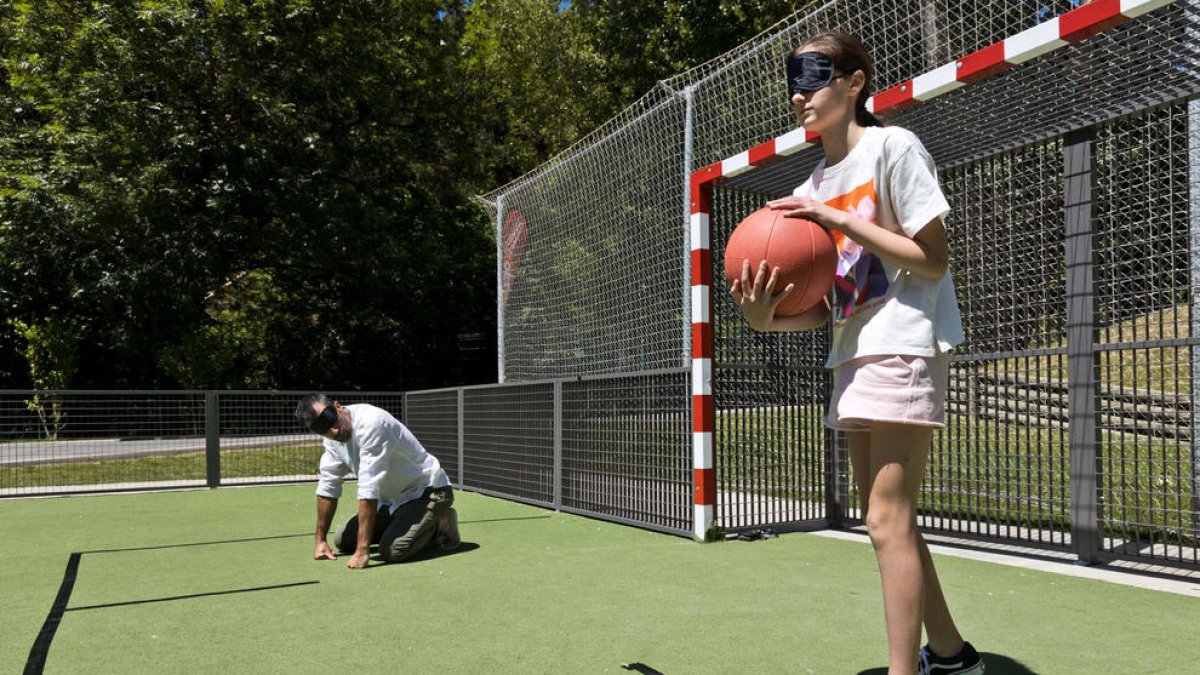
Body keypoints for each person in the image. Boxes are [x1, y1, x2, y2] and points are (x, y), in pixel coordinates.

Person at [730, 33, 983, 675]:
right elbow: (834, 304)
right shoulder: (814, 182)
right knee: (889, 522)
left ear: (855, 83)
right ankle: (952, 657)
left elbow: (933, 259)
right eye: (794, 82)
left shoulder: (891, 148)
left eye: (814, 78)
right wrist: (765, 319)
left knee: (884, 519)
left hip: (901, 344)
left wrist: (839, 221)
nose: (800, 95)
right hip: (852, 354)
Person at [295, 394, 460, 569]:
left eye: (330, 419)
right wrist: (320, 540)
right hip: (390, 500)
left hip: (427, 491)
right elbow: (328, 486)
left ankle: (440, 521)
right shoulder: (332, 440)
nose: (333, 430)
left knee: (393, 550)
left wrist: (362, 550)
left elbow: (369, 487)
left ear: (338, 406)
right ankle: (403, 523)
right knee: (342, 540)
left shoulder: (372, 423)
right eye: (322, 427)